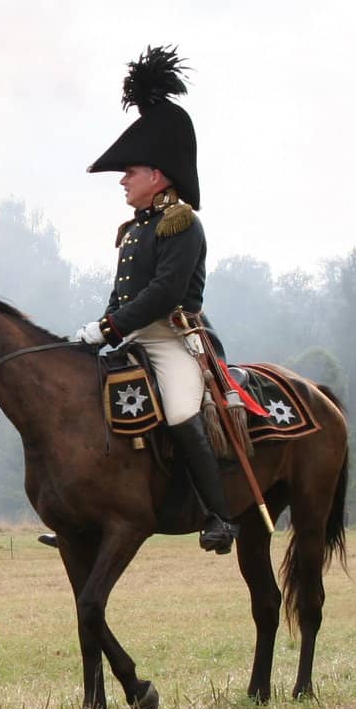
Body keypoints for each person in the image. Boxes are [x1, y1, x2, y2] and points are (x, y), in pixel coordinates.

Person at [74, 46, 235, 557]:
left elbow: (163, 293)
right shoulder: (135, 228)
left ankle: (219, 516)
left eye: (131, 171)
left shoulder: (180, 223)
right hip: (131, 333)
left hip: (171, 337)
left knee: (183, 413)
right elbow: (123, 292)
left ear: (158, 176)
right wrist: (101, 327)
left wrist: (111, 328)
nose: (122, 179)